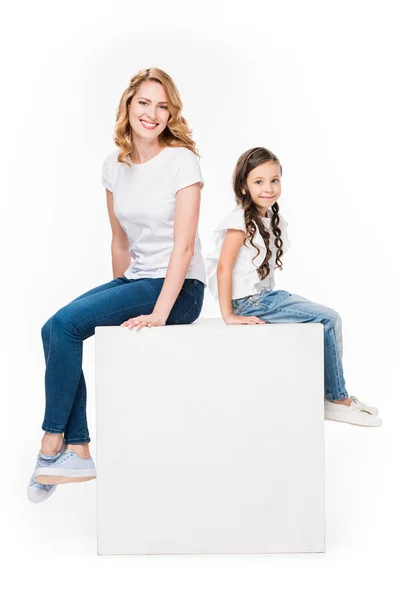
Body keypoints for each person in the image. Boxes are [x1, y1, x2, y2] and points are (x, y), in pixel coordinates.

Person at [28, 67, 206, 503]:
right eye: (144, 102)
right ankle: (80, 448)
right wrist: (116, 296)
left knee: (67, 325)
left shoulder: (182, 161)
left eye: (162, 106)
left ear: (171, 113)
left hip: (179, 290)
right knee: (55, 326)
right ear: (128, 105)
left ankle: (54, 444)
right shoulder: (114, 166)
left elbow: (183, 248)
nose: (152, 113)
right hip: (137, 279)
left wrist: (159, 313)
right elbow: (120, 240)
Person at [205, 146, 382, 427]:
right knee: (329, 318)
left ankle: (336, 395)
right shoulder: (239, 220)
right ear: (243, 186)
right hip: (251, 301)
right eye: (259, 181)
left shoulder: (268, 218)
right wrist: (228, 314)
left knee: (323, 318)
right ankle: (337, 399)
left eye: (274, 180)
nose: (269, 188)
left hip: (265, 297)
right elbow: (223, 267)